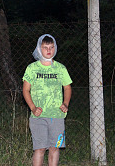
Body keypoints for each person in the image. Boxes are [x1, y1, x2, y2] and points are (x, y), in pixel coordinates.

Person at [22, 34, 72, 166]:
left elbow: (67, 88)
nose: (49, 50)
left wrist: (65, 103)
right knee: (40, 148)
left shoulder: (60, 68)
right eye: (45, 47)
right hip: (38, 116)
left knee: (54, 148)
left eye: (51, 47)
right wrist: (33, 107)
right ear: (39, 49)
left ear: (55, 48)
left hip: (56, 115)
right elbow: (25, 90)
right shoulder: (32, 68)